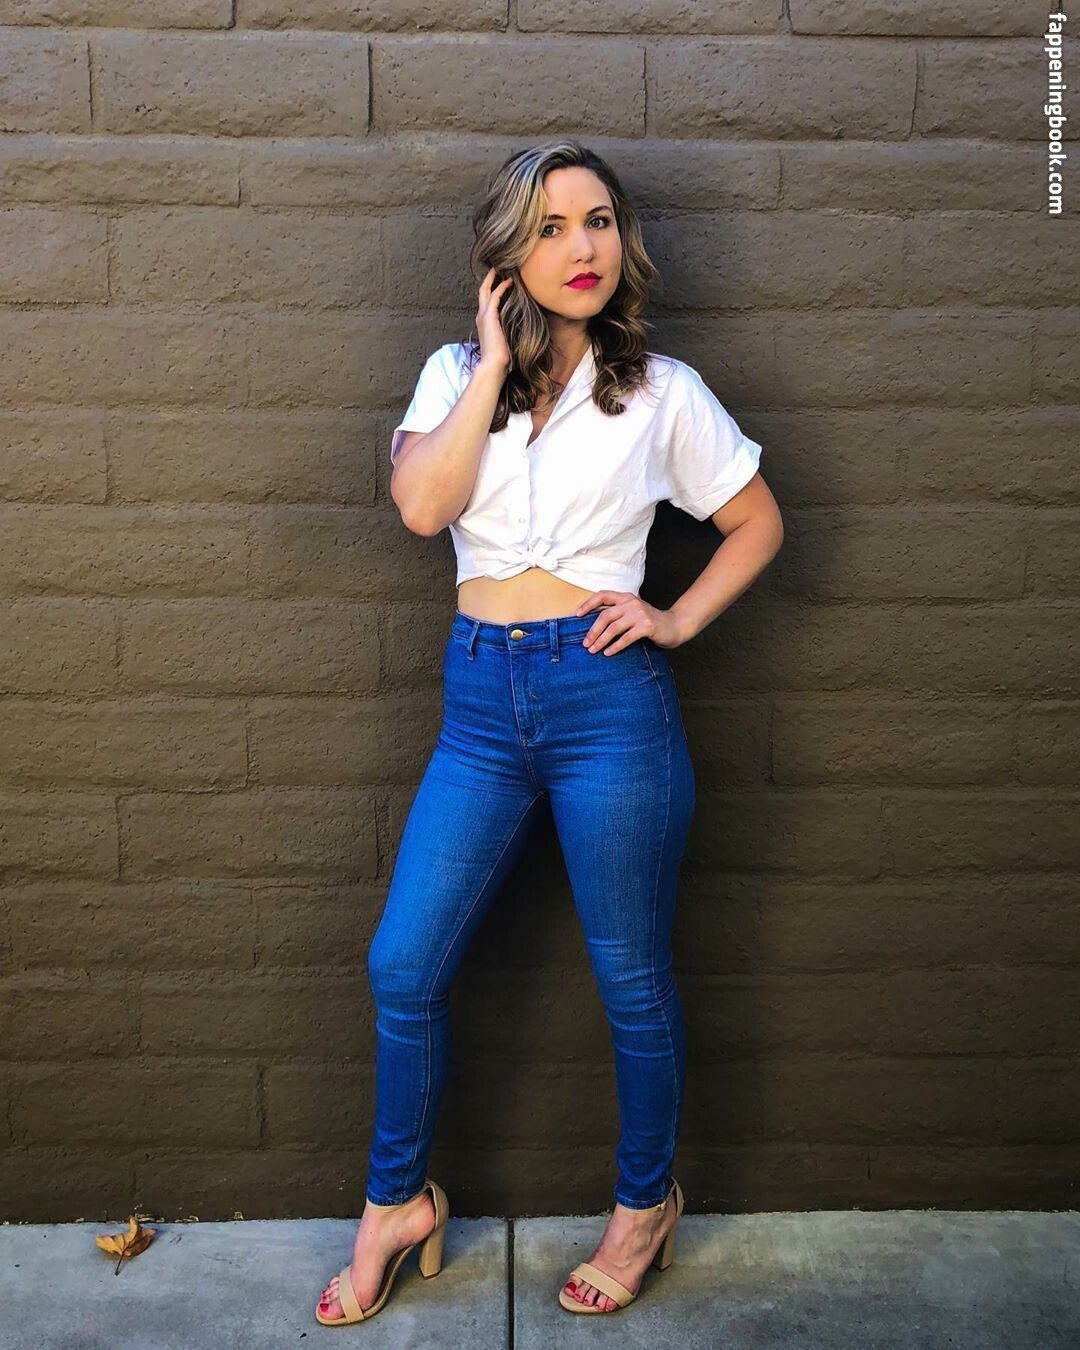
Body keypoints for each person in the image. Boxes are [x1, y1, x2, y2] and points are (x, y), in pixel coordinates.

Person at [316, 140, 784, 1325]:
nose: (583, 247)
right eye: (551, 227)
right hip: (479, 706)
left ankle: (643, 1206)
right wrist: (492, 364)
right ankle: (394, 1204)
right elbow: (424, 507)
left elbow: (757, 522)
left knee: (631, 977)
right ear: (506, 255)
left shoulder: (661, 391)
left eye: (600, 221)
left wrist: (674, 617)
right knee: (403, 965)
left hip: (606, 703)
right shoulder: (449, 374)